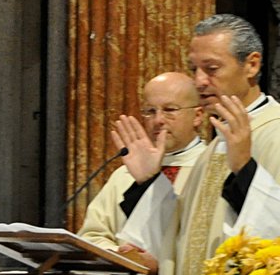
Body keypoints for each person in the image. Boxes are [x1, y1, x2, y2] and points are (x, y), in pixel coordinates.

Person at [112, 14, 280, 275]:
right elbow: (184, 238)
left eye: (211, 68)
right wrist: (149, 183)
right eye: (193, 68)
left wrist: (246, 171)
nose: (199, 81)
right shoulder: (216, 146)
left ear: (251, 65)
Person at [78, 73, 206, 251]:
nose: (158, 120)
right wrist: (120, 255)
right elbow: (92, 235)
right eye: (150, 111)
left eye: (169, 110)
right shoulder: (124, 175)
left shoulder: (211, 168)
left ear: (198, 116)